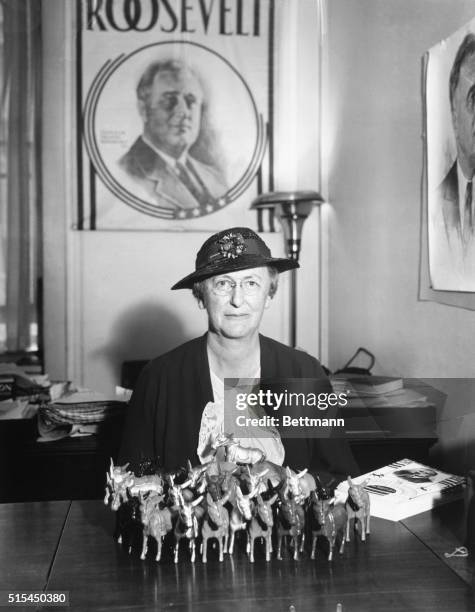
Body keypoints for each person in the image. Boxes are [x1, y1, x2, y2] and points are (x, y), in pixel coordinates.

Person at [118, 227, 359, 491]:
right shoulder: (159, 378)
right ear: (201, 297)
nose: (237, 299)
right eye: (223, 284)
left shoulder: (303, 372)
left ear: (269, 294)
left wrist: (290, 481)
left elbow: (341, 477)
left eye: (251, 283)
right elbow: (132, 484)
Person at [119, 59, 227, 214]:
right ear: (144, 110)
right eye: (170, 100)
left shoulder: (216, 178)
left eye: (191, 101)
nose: (183, 111)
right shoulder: (127, 173)